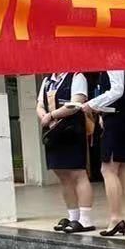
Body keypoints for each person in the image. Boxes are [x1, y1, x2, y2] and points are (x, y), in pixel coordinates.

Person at [84, 71, 125, 237]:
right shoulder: (117, 63)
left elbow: (117, 90)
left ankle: (115, 218)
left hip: (116, 121)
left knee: (108, 170)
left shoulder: (114, 62)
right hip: (121, 119)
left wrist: (92, 104)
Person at [38, 71, 94, 233]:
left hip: (71, 131)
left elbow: (76, 104)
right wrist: (45, 117)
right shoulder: (47, 81)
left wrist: (51, 115)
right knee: (62, 174)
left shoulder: (77, 77)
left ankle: (85, 218)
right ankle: (73, 216)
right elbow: (40, 104)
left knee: (78, 173)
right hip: (53, 132)